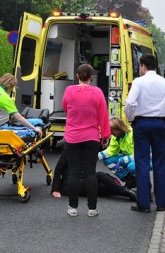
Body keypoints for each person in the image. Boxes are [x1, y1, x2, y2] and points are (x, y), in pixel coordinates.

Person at [124, 53, 165, 213]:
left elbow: (130, 103)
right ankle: (162, 203)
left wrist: (130, 118)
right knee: (160, 162)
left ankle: (144, 203)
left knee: (142, 163)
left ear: (143, 66)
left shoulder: (139, 82)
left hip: (142, 123)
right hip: (159, 123)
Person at [62, 64, 111, 217]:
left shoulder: (69, 90)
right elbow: (103, 114)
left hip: (72, 136)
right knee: (90, 172)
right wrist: (106, 135)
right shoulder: (97, 92)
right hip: (91, 136)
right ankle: (92, 208)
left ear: (77, 76)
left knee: (74, 172)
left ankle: (73, 207)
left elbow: (65, 108)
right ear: (91, 77)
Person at [51, 150, 136, 202]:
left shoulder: (87, 149)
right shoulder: (68, 149)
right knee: (99, 175)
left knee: (106, 187)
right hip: (71, 184)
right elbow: (58, 169)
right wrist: (55, 189)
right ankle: (128, 192)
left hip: (84, 182)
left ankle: (135, 194)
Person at [98, 117, 137, 188]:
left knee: (131, 167)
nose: (111, 134)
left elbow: (139, 154)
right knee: (108, 160)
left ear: (119, 129)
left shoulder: (133, 134)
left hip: (141, 158)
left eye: (112, 131)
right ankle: (129, 178)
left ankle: (144, 184)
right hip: (128, 157)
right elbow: (111, 150)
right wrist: (96, 156)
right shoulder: (116, 137)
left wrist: (122, 160)